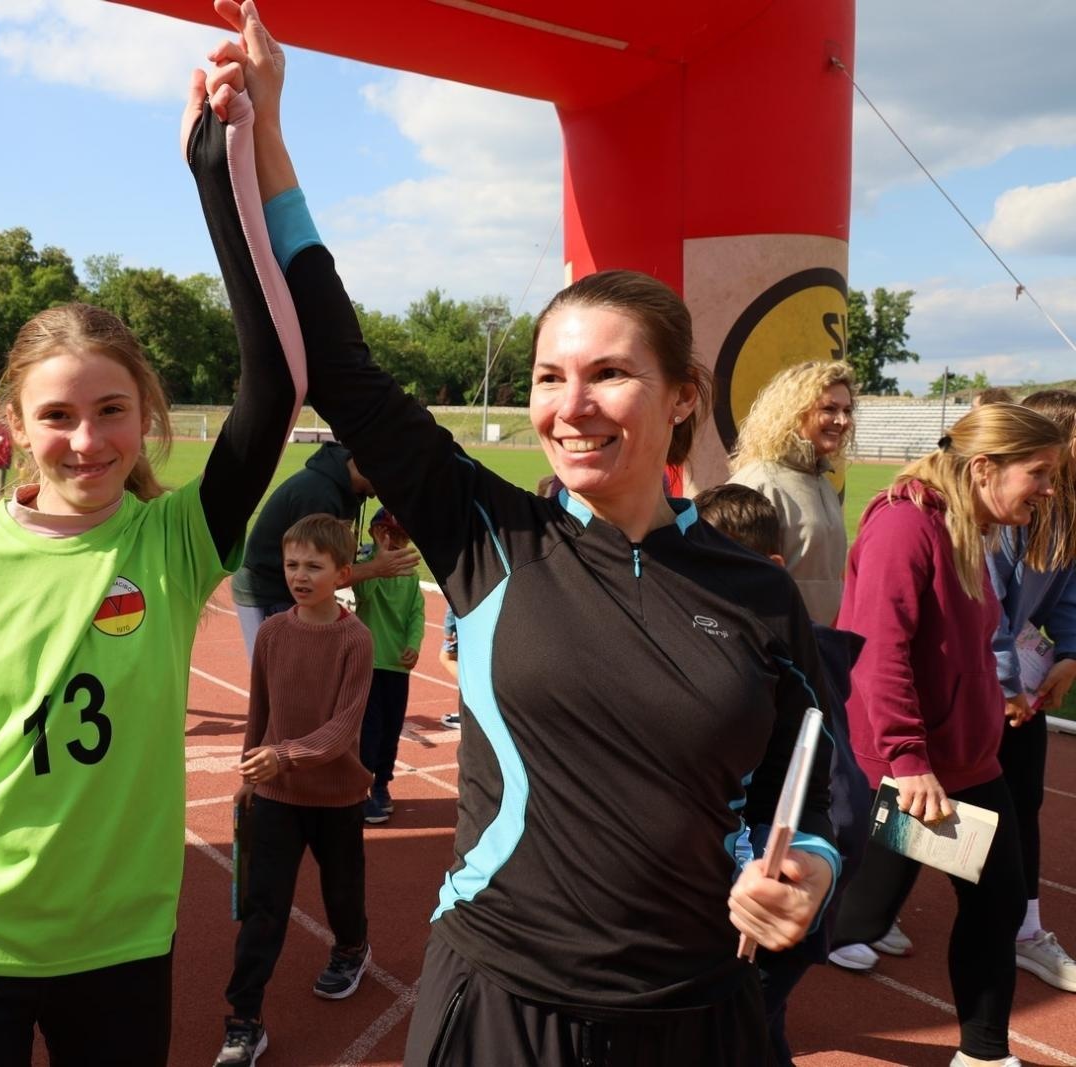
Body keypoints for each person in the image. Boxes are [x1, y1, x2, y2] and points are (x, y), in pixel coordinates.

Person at [193, 7, 839, 1061]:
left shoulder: (754, 591)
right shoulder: (490, 534)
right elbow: (333, 355)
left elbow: (810, 781)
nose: (571, 404)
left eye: (609, 374)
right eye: (550, 377)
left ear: (681, 397)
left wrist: (808, 859)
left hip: (694, 1009)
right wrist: (264, 128)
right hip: (499, 999)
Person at [0, 84, 307, 1067]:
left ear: (147, 414)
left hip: (120, 946)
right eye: (56, 414)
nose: (85, 440)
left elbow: (280, 377)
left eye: (111, 409)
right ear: (13, 419)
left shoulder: (175, 540)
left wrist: (223, 168)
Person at [829, 403, 1065, 1067]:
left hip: (967, 767)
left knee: (996, 906)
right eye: (1039, 472)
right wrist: (907, 760)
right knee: (846, 921)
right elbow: (878, 651)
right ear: (985, 467)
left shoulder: (968, 529)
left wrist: (997, 700)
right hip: (905, 777)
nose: (1050, 488)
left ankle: (985, 1054)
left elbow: (958, 647)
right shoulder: (905, 527)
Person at [694, 482, 869, 1066]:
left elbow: (838, 802)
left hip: (776, 905)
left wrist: (802, 876)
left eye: (716, 568)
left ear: (770, 569)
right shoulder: (725, 650)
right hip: (749, 902)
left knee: (732, 1034)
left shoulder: (794, 674)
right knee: (759, 1036)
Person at [218, 513, 375, 1066]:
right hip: (277, 798)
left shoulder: (356, 640)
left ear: (343, 573)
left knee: (342, 893)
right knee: (264, 908)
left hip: (337, 798)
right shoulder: (273, 635)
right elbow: (259, 710)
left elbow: (342, 729)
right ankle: (244, 1020)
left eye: (314, 565)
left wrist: (283, 755)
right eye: (292, 565)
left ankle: (352, 948)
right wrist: (248, 773)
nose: (300, 575)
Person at [988, 390, 1076, 994]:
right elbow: (984, 602)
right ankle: (865, 909)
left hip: (1017, 682)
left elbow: (1069, 594)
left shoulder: (1064, 514)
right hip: (974, 678)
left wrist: (1069, 653)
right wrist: (1002, 685)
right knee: (921, 797)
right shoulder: (1002, 514)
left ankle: (1024, 931)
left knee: (1021, 801)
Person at [230, 441, 419, 659]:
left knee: (298, 674)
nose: (388, 491)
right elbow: (319, 574)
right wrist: (376, 568)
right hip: (266, 591)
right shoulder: (320, 496)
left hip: (287, 589)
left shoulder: (346, 489)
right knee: (277, 675)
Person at [728, 360, 857, 626]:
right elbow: (735, 578)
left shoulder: (824, 484)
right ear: (795, 411)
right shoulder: (759, 482)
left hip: (818, 646)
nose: (842, 420)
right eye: (829, 409)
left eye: (847, 410)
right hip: (775, 648)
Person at [351, 506, 424, 824]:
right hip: (369, 664)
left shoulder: (410, 577)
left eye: (401, 537)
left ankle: (381, 785)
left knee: (390, 732)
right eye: (387, 535)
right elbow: (363, 595)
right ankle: (361, 789)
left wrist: (413, 644)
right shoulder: (367, 568)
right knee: (369, 732)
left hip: (396, 667)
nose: (394, 543)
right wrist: (378, 564)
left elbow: (416, 614)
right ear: (375, 535)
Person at [437, 606, 460, 729]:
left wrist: (449, 627)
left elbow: (454, 598)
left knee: (447, 658)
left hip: (467, 619)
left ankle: (472, 711)